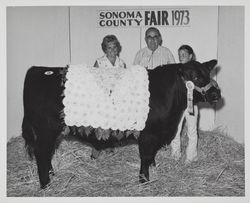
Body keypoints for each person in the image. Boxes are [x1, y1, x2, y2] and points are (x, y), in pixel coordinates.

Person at [178, 44, 199, 163]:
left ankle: (191, 158)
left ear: (190, 56)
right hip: (178, 105)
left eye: (183, 55)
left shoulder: (198, 70)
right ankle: (175, 155)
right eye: (180, 55)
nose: (181, 57)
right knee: (175, 130)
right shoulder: (177, 69)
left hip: (191, 104)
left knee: (192, 130)